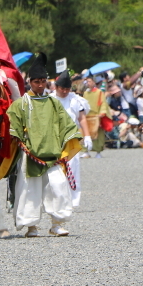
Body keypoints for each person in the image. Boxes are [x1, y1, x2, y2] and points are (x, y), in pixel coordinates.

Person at [7, 54, 82, 238]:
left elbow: (67, 125)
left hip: (53, 155)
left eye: (42, 81)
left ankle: (57, 224)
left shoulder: (53, 103)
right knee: (29, 191)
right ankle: (31, 227)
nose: (40, 85)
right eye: (36, 81)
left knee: (58, 187)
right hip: (30, 155)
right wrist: (19, 140)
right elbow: (13, 127)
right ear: (29, 82)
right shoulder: (20, 105)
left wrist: (73, 139)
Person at [51, 69, 93, 208]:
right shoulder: (50, 100)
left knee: (72, 169)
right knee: (54, 171)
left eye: (67, 88)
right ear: (56, 87)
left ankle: (73, 199)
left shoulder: (74, 100)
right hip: (54, 139)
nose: (64, 91)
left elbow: (82, 119)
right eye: (62, 88)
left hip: (71, 139)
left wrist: (87, 136)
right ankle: (54, 199)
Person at [83, 76, 111, 158]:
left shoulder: (99, 92)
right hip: (88, 115)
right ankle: (86, 151)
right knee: (86, 133)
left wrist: (102, 112)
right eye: (87, 82)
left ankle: (98, 152)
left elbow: (103, 103)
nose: (88, 83)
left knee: (98, 134)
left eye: (89, 81)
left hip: (96, 115)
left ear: (94, 82)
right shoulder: (85, 93)